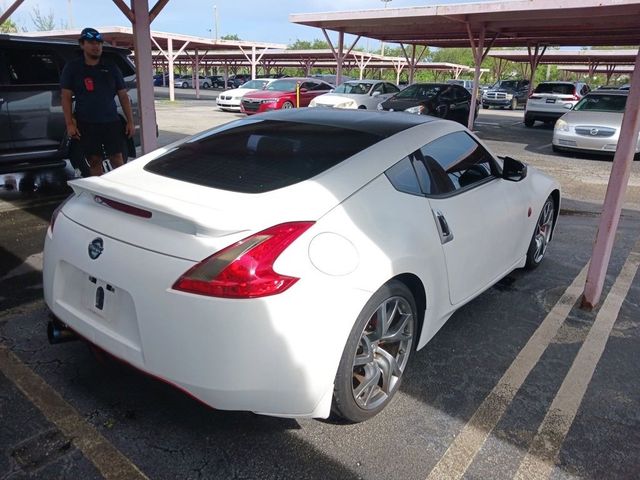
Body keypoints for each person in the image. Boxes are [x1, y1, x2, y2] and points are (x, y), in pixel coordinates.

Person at [61, 27, 135, 176]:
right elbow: (66, 97)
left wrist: (130, 121)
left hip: (111, 122)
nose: (96, 46)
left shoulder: (111, 67)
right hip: (86, 123)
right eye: (91, 43)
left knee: (117, 159)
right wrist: (69, 123)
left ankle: (121, 192)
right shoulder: (73, 68)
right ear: (82, 45)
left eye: (99, 43)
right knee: (94, 160)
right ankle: (99, 194)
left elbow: (123, 96)